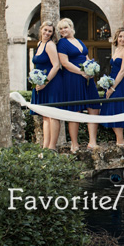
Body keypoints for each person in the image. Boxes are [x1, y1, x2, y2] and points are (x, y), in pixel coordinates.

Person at [57, 17, 101, 152]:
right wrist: (82, 72)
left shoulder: (79, 41)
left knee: (93, 107)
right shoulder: (62, 44)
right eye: (60, 29)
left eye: (65, 27)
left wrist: (91, 69)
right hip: (72, 78)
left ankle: (92, 142)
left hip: (87, 78)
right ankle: (74, 144)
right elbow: (65, 63)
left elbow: (86, 57)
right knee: (75, 109)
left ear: (71, 28)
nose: (63, 30)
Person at [30, 21, 63, 150]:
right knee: (45, 115)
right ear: (41, 30)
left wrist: (45, 83)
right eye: (45, 30)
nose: (47, 33)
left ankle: (52, 147)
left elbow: (56, 66)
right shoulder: (39, 44)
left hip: (52, 83)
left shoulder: (50, 45)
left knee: (53, 115)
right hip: (42, 83)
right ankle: (45, 146)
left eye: (50, 31)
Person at [100, 27, 124, 147]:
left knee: (117, 108)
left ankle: (120, 140)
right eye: (120, 36)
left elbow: (123, 70)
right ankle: (119, 139)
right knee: (110, 108)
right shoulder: (117, 49)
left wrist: (112, 88)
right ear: (116, 38)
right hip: (113, 81)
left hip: (121, 83)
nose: (123, 39)